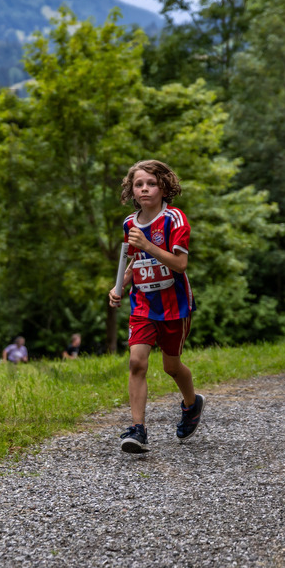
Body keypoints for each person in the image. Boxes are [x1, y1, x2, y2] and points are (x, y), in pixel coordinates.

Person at [108, 159, 205, 454]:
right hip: (143, 304)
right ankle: (138, 430)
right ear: (132, 191)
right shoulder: (129, 224)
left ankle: (192, 404)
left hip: (175, 306)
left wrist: (148, 245)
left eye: (151, 183)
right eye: (139, 184)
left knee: (171, 367)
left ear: (163, 187)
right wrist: (120, 286)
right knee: (137, 362)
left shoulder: (174, 219)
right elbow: (133, 261)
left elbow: (180, 264)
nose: (145, 189)